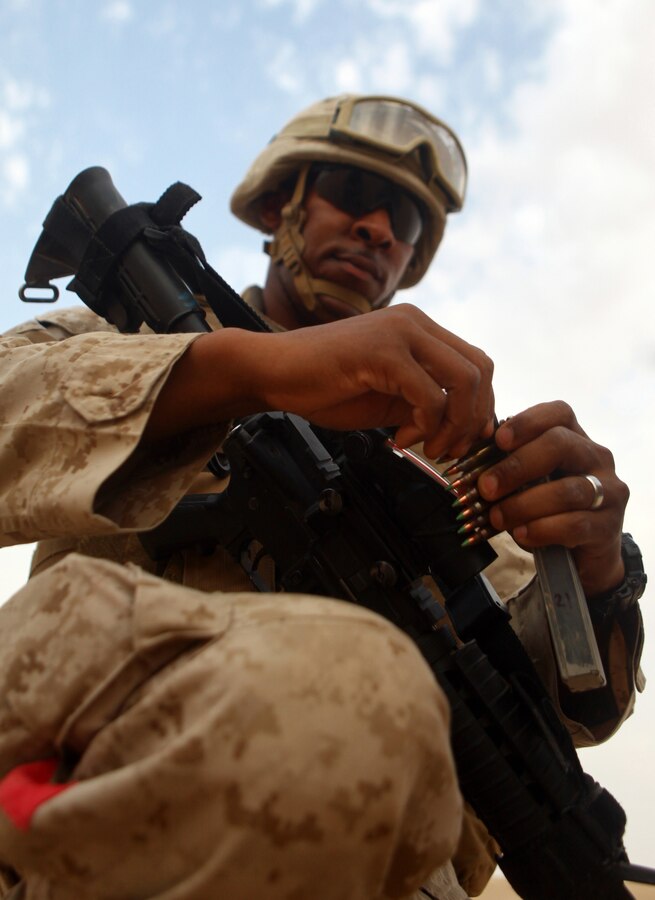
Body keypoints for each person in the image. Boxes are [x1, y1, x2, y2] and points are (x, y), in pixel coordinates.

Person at [0, 94, 645, 900]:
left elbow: (566, 711)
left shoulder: (442, 465)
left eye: (404, 220)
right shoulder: (130, 336)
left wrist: (593, 577)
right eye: (352, 190)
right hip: (97, 811)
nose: (379, 228)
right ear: (281, 208)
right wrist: (242, 373)